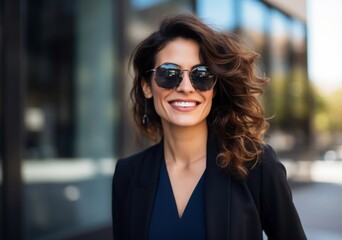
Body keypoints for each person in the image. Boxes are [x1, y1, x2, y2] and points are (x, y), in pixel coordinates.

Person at [112, 13, 306, 240]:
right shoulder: (128, 174)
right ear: (147, 86)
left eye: (201, 74)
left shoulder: (258, 166)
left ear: (214, 88)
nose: (186, 87)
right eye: (169, 73)